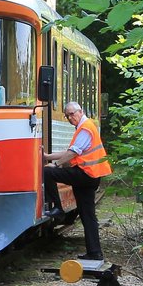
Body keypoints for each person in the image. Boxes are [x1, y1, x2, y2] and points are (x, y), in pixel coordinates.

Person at [42, 101, 112, 260]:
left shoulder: (85, 128)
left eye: (72, 114)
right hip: (90, 176)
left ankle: (58, 208)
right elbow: (70, 151)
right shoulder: (85, 126)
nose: (69, 118)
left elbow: (73, 153)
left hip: (85, 174)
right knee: (87, 215)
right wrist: (48, 157)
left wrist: (55, 165)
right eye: (67, 116)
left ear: (80, 111)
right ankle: (95, 253)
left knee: (48, 172)